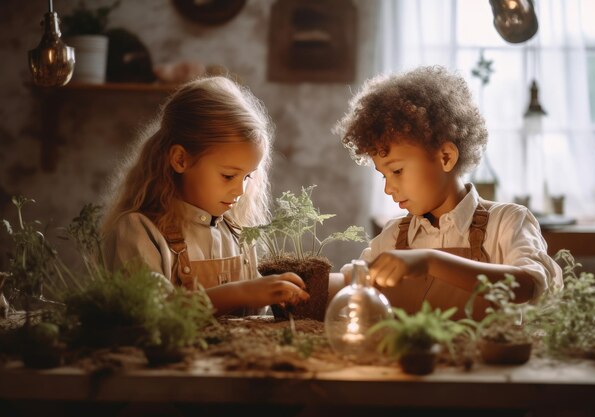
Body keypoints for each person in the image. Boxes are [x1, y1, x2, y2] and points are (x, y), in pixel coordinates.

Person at [333, 65, 562, 319]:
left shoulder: (507, 222)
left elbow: (528, 284)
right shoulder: (392, 237)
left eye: (397, 171)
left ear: (446, 157)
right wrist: (299, 286)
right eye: (383, 175)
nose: (388, 188)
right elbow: (351, 284)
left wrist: (432, 262)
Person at [101, 76, 309, 316]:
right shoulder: (140, 230)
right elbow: (150, 313)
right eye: (229, 176)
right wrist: (241, 292)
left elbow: (254, 315)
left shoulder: (236, 234)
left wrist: (278, 296)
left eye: (247, 177)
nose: (240, 190)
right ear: (181, 159)